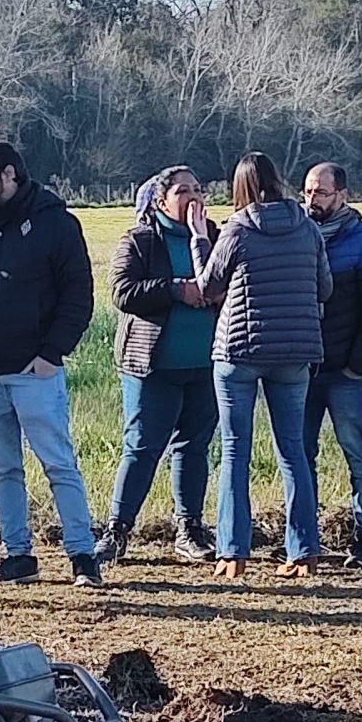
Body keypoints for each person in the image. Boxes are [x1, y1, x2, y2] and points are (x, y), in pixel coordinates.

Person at [0, 140, 100, 587]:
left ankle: (82, 555)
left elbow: (77, 294)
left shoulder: (56, 225)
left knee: (58, 464)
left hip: (35, 372)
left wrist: (51, 354)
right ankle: (17, 556)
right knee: (3, 469)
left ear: (9, 175)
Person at [196, 151, 332, 580]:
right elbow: (324, 287)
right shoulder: (308, 228)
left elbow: (208, 286)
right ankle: (303, 551)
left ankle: (233, 553)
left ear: (241, 188)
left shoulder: (237, 228)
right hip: (295, 352)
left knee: (235, 451)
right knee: (293, 452)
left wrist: (199, 241)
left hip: (239, 350)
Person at [102, 165, 219, 564]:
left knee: (194, 447)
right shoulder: (140, 241)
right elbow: (123, 291)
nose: (193, 197)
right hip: (152, 367)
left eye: (198, 189)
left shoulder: (216, 237)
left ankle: (189, 530)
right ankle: (117, 531)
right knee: (142, 448)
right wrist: (176, 290)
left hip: (205, 367)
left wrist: (214, 294)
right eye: (183, 190)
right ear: (161, 200)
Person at [299, 162, 362, 569]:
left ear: (342, 195)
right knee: (299, 455)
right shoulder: (298, 238)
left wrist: (358, 367)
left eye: (320, 192)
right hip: (301, 370)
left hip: (344, 373)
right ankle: (303, 535)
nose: (311, 200)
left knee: (358, 453)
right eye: (306, 192)